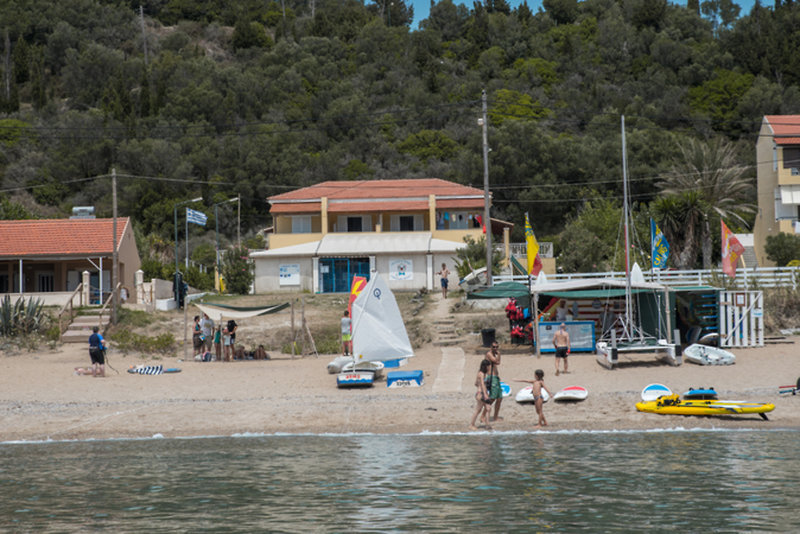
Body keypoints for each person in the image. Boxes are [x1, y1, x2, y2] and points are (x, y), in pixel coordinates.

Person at [469, 359, 493, 430]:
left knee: (488, 408)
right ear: (485, 366)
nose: (489, 368)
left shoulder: (481, 373)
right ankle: (471, 424)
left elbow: (476, 383)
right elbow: (482, 384)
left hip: (483, 393)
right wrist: (485, 394)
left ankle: (487, 424)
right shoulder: (482, 374)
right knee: (478, 410)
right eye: (488, 366)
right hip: (481, 394)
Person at [486, 341, 503, 421]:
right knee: (492, 398)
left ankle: (495, 416)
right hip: (492, 378)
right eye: (494, 347)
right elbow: (497, 362)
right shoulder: (489, 354)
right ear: (490, 347)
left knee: (499, 398)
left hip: (496, 378)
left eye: (496, 347)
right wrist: (499, 354)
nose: (495, 348)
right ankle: (483, 415)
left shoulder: (493, 355)